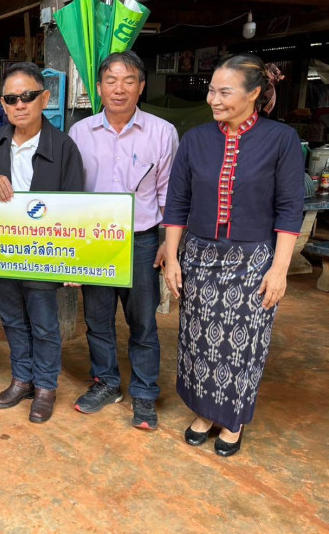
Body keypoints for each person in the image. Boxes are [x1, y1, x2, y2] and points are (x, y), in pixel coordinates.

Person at [162, 54, 303, 457]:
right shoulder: (196, 140)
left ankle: (232, 419)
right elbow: (177, 203)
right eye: (211, 90)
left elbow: (290, 208)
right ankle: (204, 413)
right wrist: (172, 258)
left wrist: (280, 269)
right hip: (199, 257)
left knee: (242, 346)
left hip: (253, 261)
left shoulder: (281, 139)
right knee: (197, 340)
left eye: (224, 92)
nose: (213, 99)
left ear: (254, 93)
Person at [68, 51, 179, 430]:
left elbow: (169, 193)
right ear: (98, 88)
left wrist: (167, 242)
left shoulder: (162, 132)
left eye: (128, 80)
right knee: (97, 320)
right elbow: (71, 193)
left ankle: (144, 393)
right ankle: (107, 383)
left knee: (143, 322)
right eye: (111, 81)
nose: (119, 89)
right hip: (95, 241)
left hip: (142, 240)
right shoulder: (80, 133)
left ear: (141, 86)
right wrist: (73, 250)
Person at [0, 61, 84, 423]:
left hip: (42, 252)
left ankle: (46, 386)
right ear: (3, 104)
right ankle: (22, 379)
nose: (20, 104)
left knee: (44, 322)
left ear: (44, 99)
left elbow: (74, 205)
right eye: (11, 99)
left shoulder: (63, 147)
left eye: (28, 96)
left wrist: (72, 262)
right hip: (3, 250)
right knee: (11, 318)